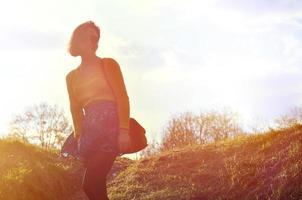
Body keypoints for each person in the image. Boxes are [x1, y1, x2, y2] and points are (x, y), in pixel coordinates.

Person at [65, 21, 131, 200]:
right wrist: (79, 138)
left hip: (111, 127)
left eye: (96, 38)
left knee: (91, 184)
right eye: (89, 37)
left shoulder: (108, 64)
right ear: (78, 41)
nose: (93, 41)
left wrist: (124, 131)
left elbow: (122, 97)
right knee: (96, 185)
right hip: (89, 132)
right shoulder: (71, 77)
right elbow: (75, 109)